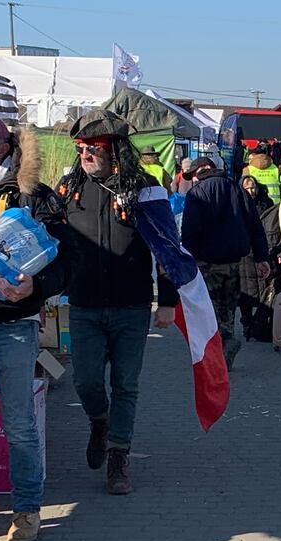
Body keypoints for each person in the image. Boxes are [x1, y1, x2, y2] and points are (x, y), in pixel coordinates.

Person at [59, 109, 178, 496]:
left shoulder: (144, 188)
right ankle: (99, 420)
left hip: (131, 305)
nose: (85, 155)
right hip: (84, 304)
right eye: (81, 148)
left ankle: (118, 455)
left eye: (93, 148)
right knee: (86, 380)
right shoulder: (68, 189)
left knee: (126, 383)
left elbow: (167, 248)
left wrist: (168, 302)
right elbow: (54, 246)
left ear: (115, 150)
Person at [0, 116, 71, 541]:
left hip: (12, 326)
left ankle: (27, 509)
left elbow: (67, 261)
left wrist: (35, 287)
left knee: (19, 422)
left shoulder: (32, 196)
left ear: (2, 148)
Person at [182, 157, 270, 369]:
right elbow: (255, 225)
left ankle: (214, 355)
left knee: (208, 311)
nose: (192, 179)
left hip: (207, 263)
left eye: (193, 175)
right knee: (228, 308)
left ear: (202, 170)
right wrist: (261, 257)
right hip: (234, 261)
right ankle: (227, 341)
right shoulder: (237, 189)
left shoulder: (197, 193)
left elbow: (190, 231)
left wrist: (187, 259)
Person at [238, 175, 273, 334]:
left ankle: (260, 321)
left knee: (263, 286)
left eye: (253, 187)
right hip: (244, 253)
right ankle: (246, 321)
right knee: (246, 289)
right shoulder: (238, 204)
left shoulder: (266, 203)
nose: (251, 191)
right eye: (247, 188)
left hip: (262, 249)